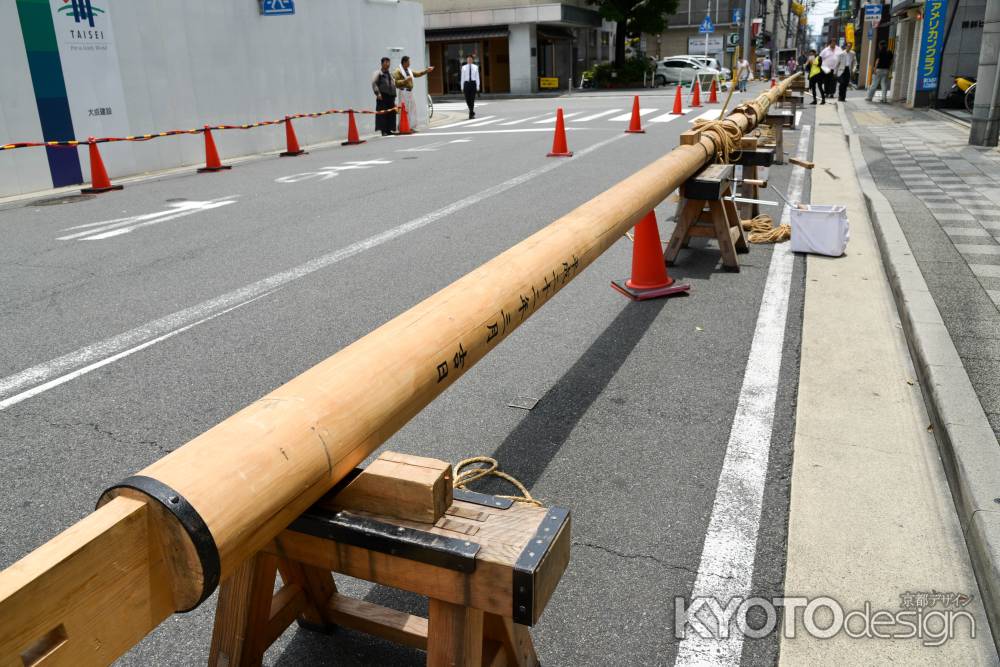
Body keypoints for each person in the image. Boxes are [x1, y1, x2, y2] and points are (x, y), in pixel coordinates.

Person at [393, 55, 434, 131]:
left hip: (410, 92)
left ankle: (411, 127)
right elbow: (396, 82)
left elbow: (417, 74)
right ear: (404, 62)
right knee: (404, 109)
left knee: (412, 109)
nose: (409, 63)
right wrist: (405, 81)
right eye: (408, 62)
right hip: (403, 91)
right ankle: (402, 126)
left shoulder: (409, 70)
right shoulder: (398, 71)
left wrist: (426, 71)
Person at [372, 57, 396, 136]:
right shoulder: (378, 73)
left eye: (388, 62)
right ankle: (383, 130)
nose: (388, 64)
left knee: (391, 113)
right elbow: (374, 83)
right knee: (383, 113)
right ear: (382, 64)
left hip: (391, 96)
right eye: (386, 62)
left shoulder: (390, 74)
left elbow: (393, 84)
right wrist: (377, 93)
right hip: (382, 96)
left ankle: (389, 129)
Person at [460, 55, 480, 119]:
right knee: (467, 99)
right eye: (468, 59)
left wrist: (478, 86)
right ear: (467, 60)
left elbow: (477, 77)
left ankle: (471, 113)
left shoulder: (475, 67)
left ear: (472, 60)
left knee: (472, 99)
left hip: (473, 83)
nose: (469, 60)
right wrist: (462, 87)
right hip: (466, 84)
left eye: (470, 59)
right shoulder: (464, 67)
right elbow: (462, 77)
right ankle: (471, 112)